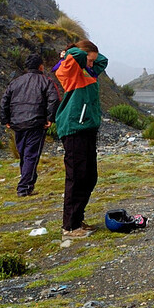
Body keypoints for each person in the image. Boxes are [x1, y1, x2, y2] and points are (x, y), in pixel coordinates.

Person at [55, 40, 108, 239]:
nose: (93, 64)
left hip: (87, 128)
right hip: (74, 128)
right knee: (76, 177)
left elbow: (103, 60)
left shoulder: (89, 72)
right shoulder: (68, 70)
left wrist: (91, 57)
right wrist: (70, 52)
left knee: (89, 176)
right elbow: (77, 55)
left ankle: (78, 219)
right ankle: (69, 227)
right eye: (90, 60)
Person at [0, 53, 60, 197]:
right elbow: (54, 99)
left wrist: (5, 119)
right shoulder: (46, 81)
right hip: (36, 123)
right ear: (41, 66)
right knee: (31, 155)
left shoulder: (15, 82)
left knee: (24, 154)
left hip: (17, 123)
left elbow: (4, 101)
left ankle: (26, 185)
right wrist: (50, 118)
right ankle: (24, 188)